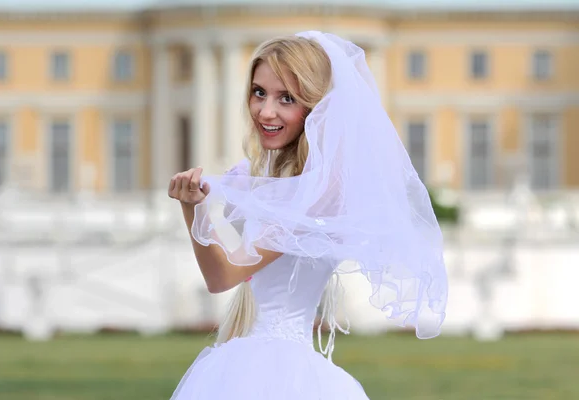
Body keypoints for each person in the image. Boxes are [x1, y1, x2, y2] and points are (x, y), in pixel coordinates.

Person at [167, 31, 448, 400]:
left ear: (317, 108)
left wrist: (193, 211)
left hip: (278, 369)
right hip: (253, 355)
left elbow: (223, 276)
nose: (266, 111)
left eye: (287, 98)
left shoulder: (322, 195)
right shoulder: (266, 176)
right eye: (258, 92)